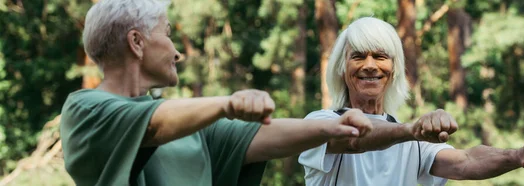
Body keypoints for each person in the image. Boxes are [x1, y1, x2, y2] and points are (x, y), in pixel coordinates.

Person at [59, 0, 374, 185]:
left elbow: (266, 136)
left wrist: (332, 125)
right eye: (166, 34)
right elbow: (151, 125)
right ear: (137, 42)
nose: (177, 52)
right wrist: (229, 103)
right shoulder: (86, 108)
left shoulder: (189, 127)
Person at [298, 17, 524, 186]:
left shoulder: (414, 141)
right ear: (342, 68)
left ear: (394, 68)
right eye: (358, 56)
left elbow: (466, 162)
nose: (369, 66)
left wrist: (516, 156)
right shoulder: (322, 123)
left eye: (380, 56)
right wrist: (412, 130)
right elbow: (354, 139)